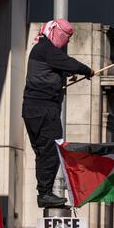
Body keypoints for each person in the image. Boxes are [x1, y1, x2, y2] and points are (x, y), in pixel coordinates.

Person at [22, 19, 94, 208]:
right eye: (66, 37)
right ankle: (45, 194)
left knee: (43, 152)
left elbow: (52, 70)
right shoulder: (47, 49)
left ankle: (44, 192)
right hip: (44, 109)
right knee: (51, 150)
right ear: (56, 32)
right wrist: (88, 71)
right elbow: (70, 63)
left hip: (33, 110)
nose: (67, 42)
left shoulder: (41, 49)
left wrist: (62, 75)